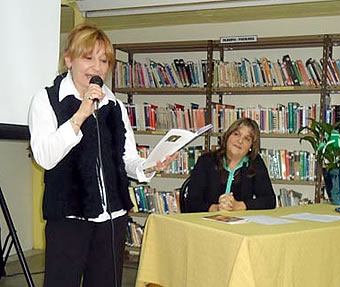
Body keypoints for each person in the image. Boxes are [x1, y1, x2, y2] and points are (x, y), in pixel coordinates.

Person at [28, 23, 176, 287]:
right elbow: (45, 157)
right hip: (68, 218)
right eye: (88, 58)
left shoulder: (115, 105)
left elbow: (127, 160)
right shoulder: (46, 100)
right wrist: (80, 115)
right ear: (68, 59)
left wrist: (151, 165)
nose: (97, 67)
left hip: (112, 218)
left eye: (104, 60)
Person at [187, 118, 276, 212]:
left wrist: (239, 206)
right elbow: (191, 202)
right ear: (228, 136)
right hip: (206, 221)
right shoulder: (206, 161)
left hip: (241, 223)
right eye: (236, 134)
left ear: (251, 146)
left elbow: (269, 201)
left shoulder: (255, 162)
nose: (240, 141)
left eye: (247, 138)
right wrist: (216, 208)